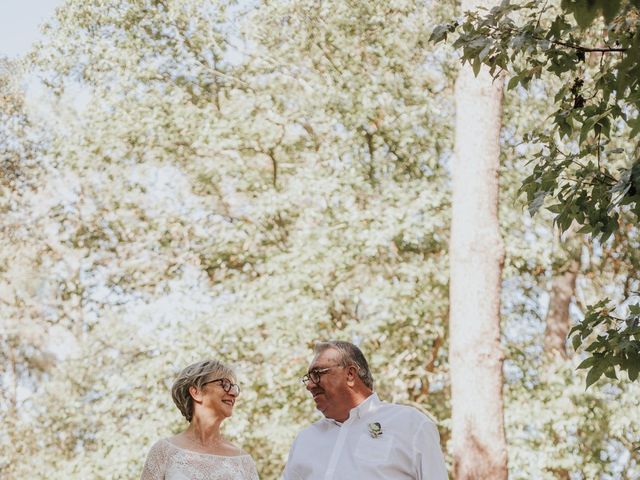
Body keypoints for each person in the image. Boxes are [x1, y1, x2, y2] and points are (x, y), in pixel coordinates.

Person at [282, 341, 448, 479]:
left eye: (317, 374)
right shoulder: (305, 440)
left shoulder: (412, 425)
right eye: (308, 379)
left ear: (350, 374)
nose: (310, 385)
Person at [141, 359, 259, 480]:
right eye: (224, 384)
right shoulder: (163, 451)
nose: (234, 393)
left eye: (234, 387)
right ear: (196, 392)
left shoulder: (243, 462)